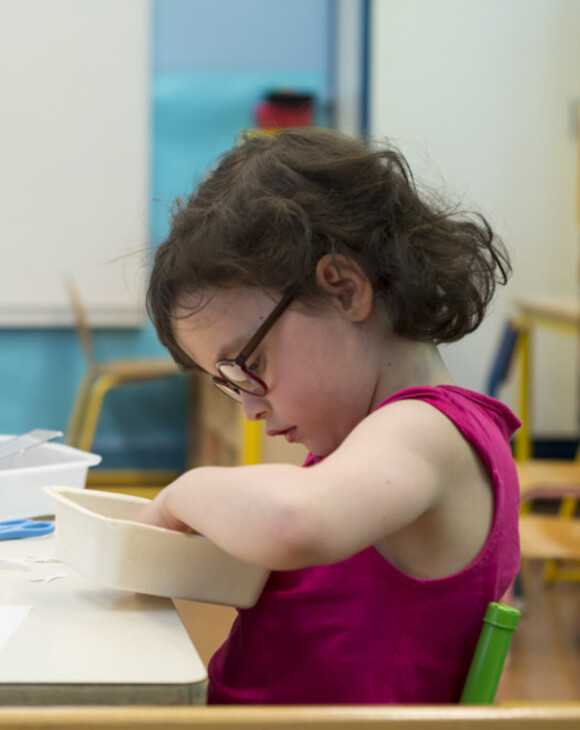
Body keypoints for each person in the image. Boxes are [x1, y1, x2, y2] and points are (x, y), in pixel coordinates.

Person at [137, 128, 518, 704]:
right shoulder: (363, 450)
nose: (249, 406)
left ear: (343, 290)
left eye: (250, 363)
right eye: (229, 384)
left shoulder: (426, 431)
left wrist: (181, 494)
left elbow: (294, 522)